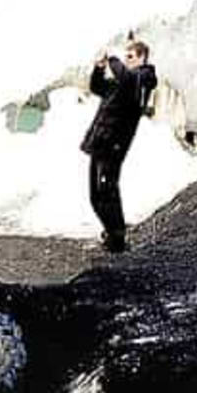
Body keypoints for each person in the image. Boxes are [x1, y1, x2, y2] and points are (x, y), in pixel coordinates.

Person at [82, 38, 159, 252]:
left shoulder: (144, 77)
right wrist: (98, 69)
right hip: (99, 140)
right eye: (126, 56)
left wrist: (112, 59)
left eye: (130, 57)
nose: (127, 60)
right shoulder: (124, 81)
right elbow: (97, 87)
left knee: (108, 190)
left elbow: (126, 78)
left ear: (142, 57)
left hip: (115, 142)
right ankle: (110, 231)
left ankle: (117, 237)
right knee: (95, 195)